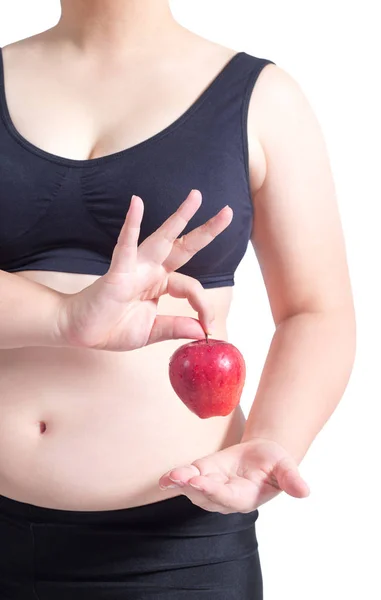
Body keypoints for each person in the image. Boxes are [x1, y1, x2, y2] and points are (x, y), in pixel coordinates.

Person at [0, 0, 356, 598]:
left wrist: (274, 439)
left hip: (179, 552)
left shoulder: (263, 98)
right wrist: (65, 317)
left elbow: (315, 311)